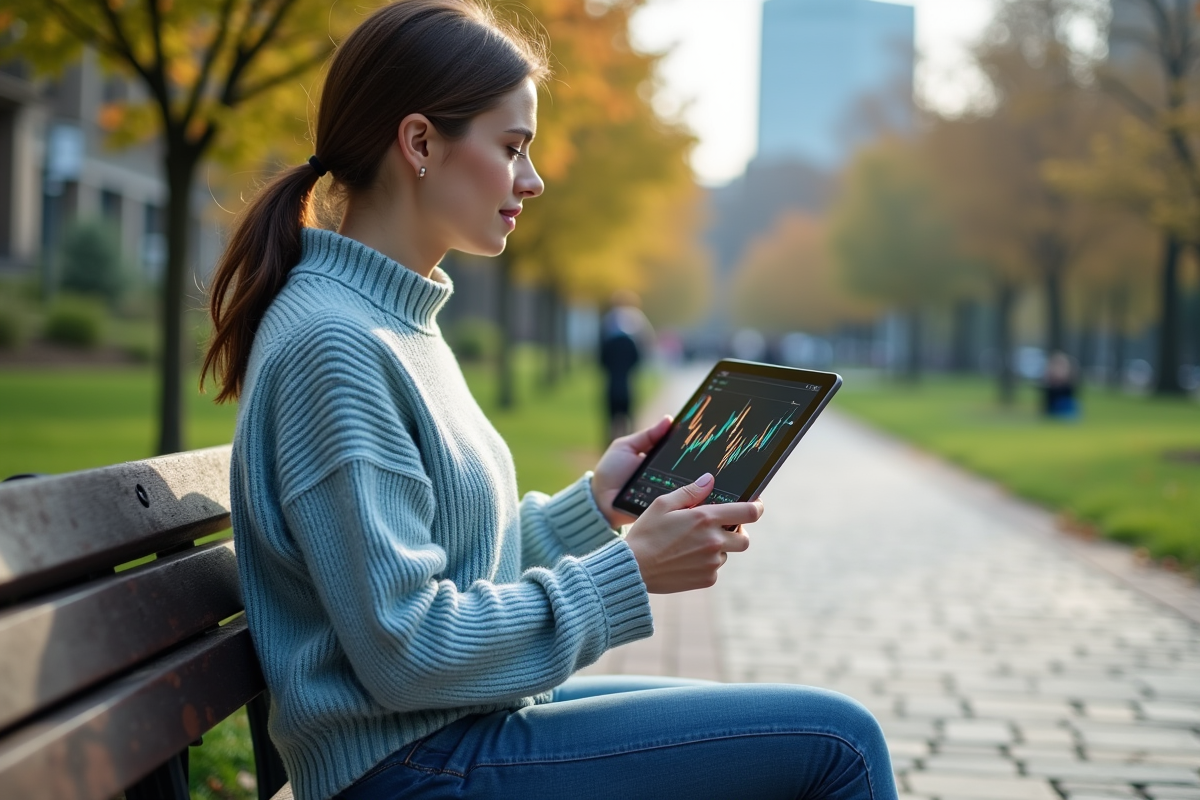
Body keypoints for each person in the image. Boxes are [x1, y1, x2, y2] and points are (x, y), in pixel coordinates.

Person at [202, 2, 897, 798]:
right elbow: (406, 648)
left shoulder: (388, 320)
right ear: (420, 143)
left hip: (444, 734)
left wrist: (594, 506)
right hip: (410, 768)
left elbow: (453, 570)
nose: (531, 180)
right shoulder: (337, 343)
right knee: (839, 743)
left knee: (798, 728)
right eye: (511, 148)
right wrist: (628, 571)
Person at [599, 289, 653, 443]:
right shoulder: (637, 318)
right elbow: (646, 343)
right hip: (628, 375)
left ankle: (610, 443)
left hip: (612, 375)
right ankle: (630, 441)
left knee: (611, 416)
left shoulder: (608, 319)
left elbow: (602, 355)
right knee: (629, 414)